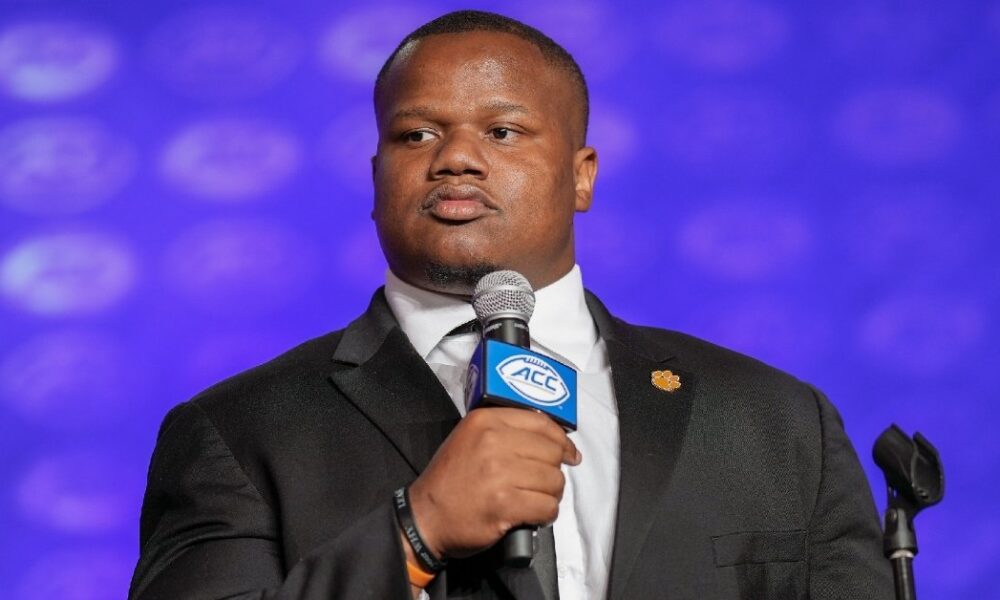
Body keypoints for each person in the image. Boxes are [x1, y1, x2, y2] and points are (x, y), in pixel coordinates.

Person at [129, 10, 893, 600]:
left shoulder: (776, 421)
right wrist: (415, 532)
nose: (456, 157)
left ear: (581, 175)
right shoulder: (239, 431)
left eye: (502, 131)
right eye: (416, 134)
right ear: (376, 175)